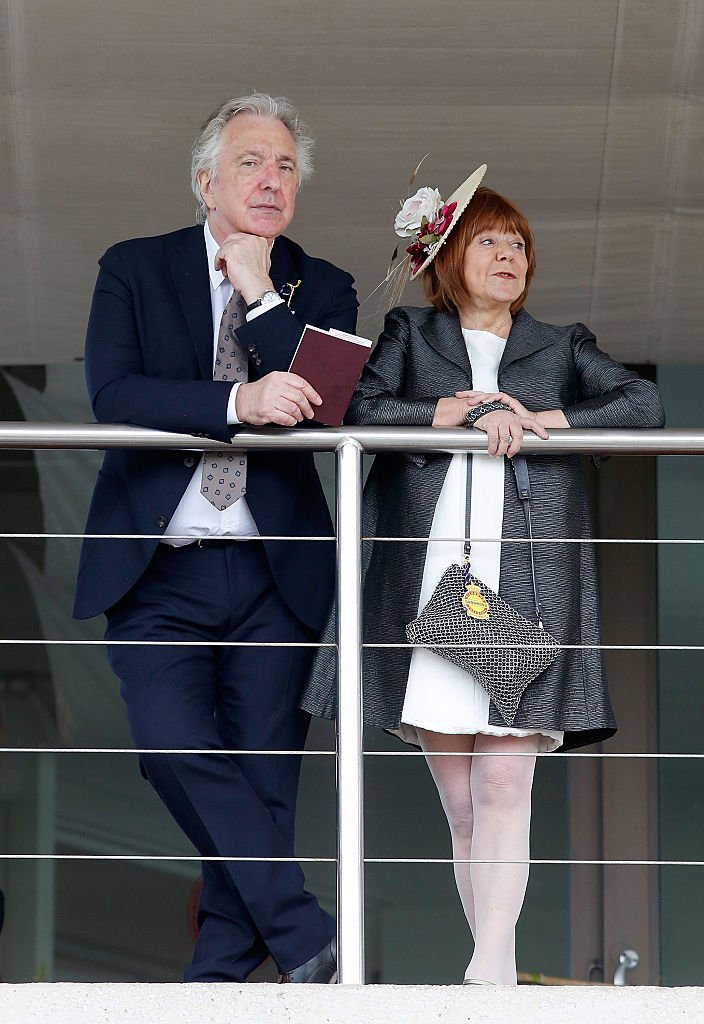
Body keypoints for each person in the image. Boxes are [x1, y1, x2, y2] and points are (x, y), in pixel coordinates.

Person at [303, 166, 665, 984]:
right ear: (450, 255)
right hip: (432, 584)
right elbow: (359, 407)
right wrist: (457, 410)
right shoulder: (411, 334)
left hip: (524, 584)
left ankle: (492, 969)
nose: (509, 256)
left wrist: (544, 417)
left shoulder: (559, 343)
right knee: (462, 800)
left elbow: (642, 405)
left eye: (519, 245)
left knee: (505, 782)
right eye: (490, 241)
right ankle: (490, 965)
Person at [73, 93, 358, 983]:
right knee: (170, 748)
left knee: (268, 787)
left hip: (277, 576)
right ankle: (304, 931)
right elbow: (115, 395)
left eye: (285, 169)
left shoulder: (327, 284)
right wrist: (236, 405)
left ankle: (216, 988)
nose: (271, 181)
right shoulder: (134, 268)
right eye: (250, 163)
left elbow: (329, 403)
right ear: (205, 180)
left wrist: (259, 293)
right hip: (160, 568)